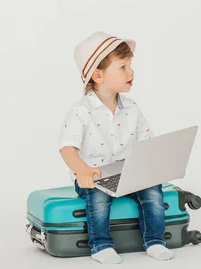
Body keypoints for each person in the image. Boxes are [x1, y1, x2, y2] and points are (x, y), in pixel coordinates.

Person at [58, 31, 176, 264]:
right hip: (95, 176)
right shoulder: (81, 111)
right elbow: (67, 148)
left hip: (129, 174)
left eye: (130, 65)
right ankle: (101, 245)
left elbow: (147, 144)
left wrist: (166, 167)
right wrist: (82, 170)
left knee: (152, 189)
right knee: (99, 196)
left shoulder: (132, 108)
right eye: (123, 67)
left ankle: (155, 241)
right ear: (98, 75)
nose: (131, 72)